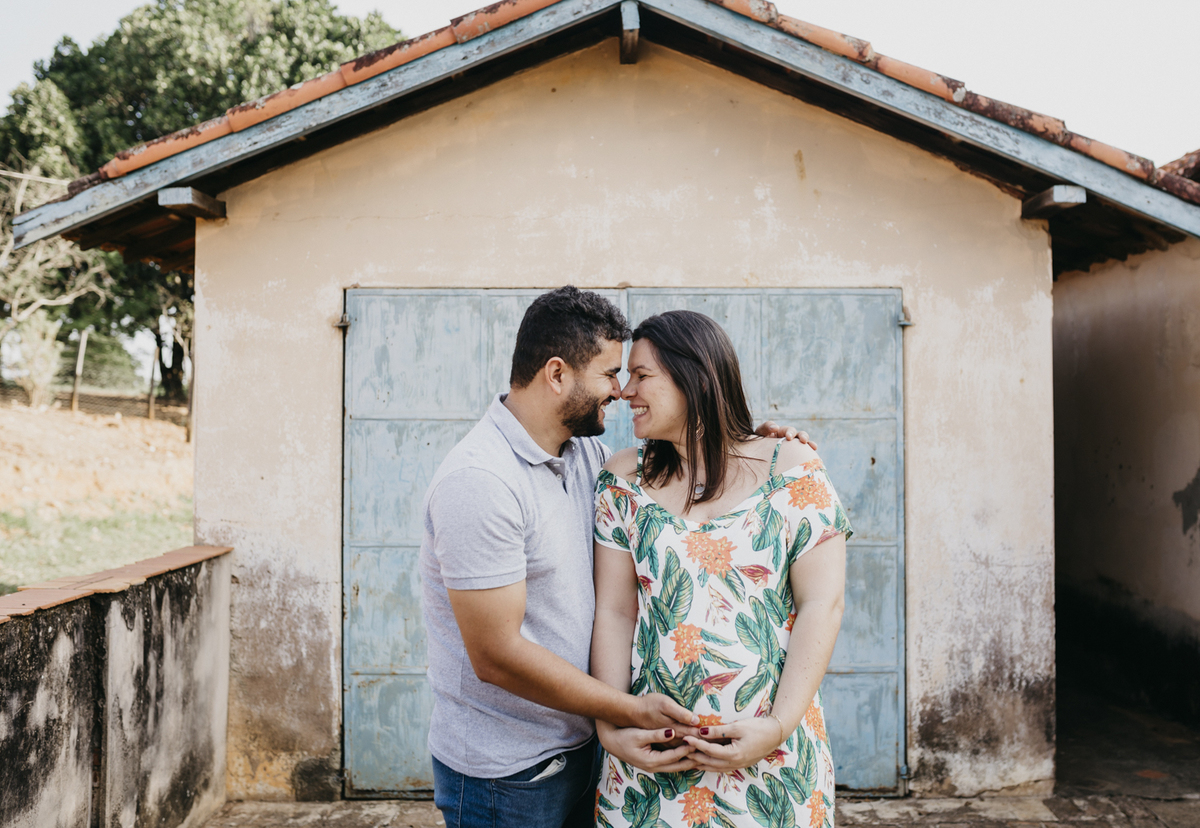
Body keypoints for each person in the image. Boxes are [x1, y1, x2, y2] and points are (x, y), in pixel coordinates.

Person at [419, 288, 811, 828]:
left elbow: (691, 451)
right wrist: (624, 712)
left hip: (582, 752)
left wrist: (757, 442)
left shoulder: (588, 457)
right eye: (609, 374)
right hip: (506, 777)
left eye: (631, 376)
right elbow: (495, 654)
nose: (620, 392)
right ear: (557, 374)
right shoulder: (480, 482)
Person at [591, 310, 851, 828]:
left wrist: (776, 728)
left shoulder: (792, 469)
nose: (625, 391)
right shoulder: (623, 479)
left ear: (695, 377)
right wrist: (611, 727)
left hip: (769, 762)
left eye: (641, 375)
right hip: (651, 763)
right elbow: (615, 611)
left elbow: (823, 605)